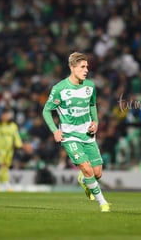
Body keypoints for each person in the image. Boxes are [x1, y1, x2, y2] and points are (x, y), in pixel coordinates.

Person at [42, 52, 110, 212]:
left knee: (97, 174)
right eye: (82, 67)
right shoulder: (60, 89)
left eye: (87, 67)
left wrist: (96, 122)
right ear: (72, 68)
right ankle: (103, 203)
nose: (86, 70)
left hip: (87, 135)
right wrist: (54, 131)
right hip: (69, 136)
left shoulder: (90, 86)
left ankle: (83, 179)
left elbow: (92, 105)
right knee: (87, 168)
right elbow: (46, 111)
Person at [0, 108, 23, 189]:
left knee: (6, 164)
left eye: (7, 115)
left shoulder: (13, 125)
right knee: (2, 164)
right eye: (4, 115)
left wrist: (19, 144)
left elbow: (16, 135)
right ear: (1, 116)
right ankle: (6, 183)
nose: (5, 117)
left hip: (9, 147)